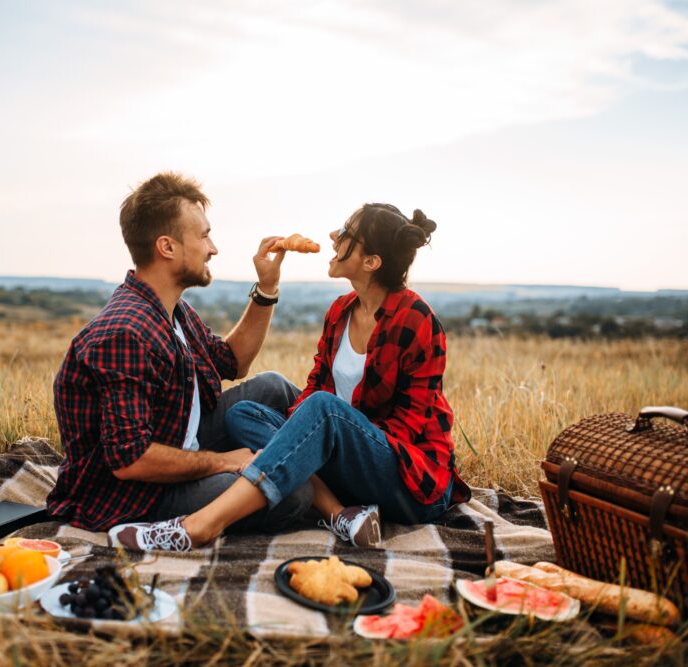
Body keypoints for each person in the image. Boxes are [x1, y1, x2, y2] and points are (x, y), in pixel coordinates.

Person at [109, 203, 471, 552]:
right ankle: (340, 514)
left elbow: (411, 424)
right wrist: (303, 440)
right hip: (350, 464)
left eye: (347, 232)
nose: (333, 235)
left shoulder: (416, 319)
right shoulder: (341, 312)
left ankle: (200, 526)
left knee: (323, 411)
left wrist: (331, 443)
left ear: (371, 262)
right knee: (244, 414)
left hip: (408, 480)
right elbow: (314, 383)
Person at [46, 172, 314, 533]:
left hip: (180, 440)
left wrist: (267, 287)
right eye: (204, 236)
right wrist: (222, 462)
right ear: (167, 247)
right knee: (294, 493)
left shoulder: (173, 310)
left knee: (273, 387)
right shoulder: (126, 333)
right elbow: (131, 461)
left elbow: (233, 362)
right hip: (138, 495)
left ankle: (337, 463)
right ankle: (326, 487)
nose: (213, 248)